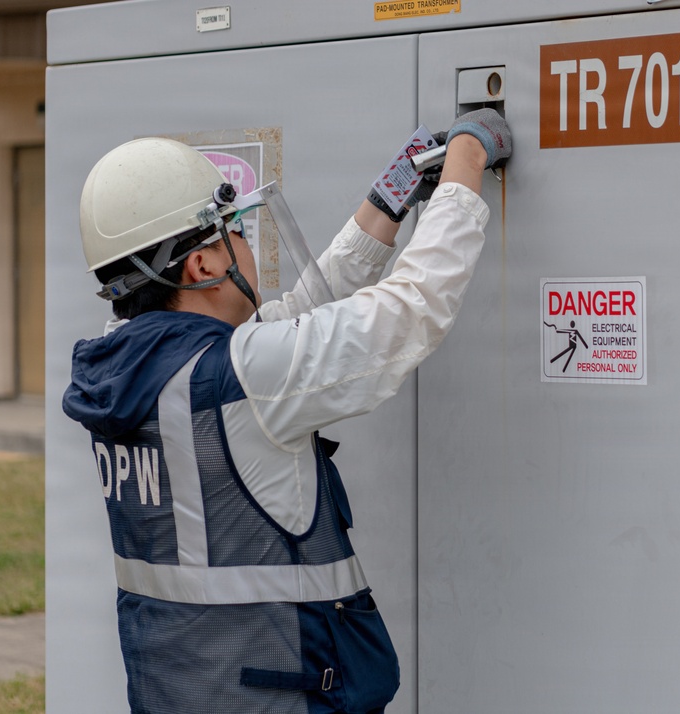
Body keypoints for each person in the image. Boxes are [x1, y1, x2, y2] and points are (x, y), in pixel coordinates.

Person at [62, 108, 511, 714]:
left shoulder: (129, 370)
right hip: (285, 694)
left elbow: (300, 317)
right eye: (236, 230)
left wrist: (390, 197)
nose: (246, 243)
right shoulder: (239, 377)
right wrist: (466, 166)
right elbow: (411, 309)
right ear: (203, 265)